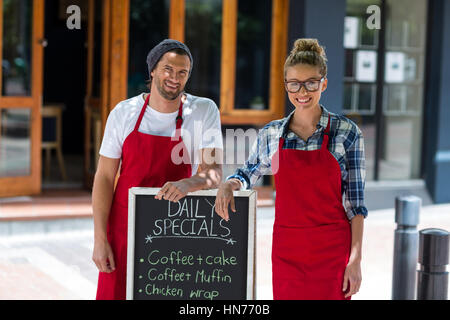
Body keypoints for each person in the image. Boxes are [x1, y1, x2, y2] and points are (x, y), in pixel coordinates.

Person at [215, 38, 367, 300]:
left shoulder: (347, 133)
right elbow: (247, 174)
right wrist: (230, 184)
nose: (302, 91)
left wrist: (355, 261)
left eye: (311, 82)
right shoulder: (272, 134)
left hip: (332, 253)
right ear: (286, 86)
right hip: (288, 252)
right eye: (294, 83)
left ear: (324, 83)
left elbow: (356, 207)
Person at [92, 39, 223, 300]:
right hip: (123, 229)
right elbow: (105, 177)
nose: (174, 77)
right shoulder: (124, 113)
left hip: (175, 230)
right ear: (152, 70)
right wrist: (99, 239)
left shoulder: (203, 111)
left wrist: (189, 183)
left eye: (182, 72)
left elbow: (214, 173)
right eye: (167, 69)